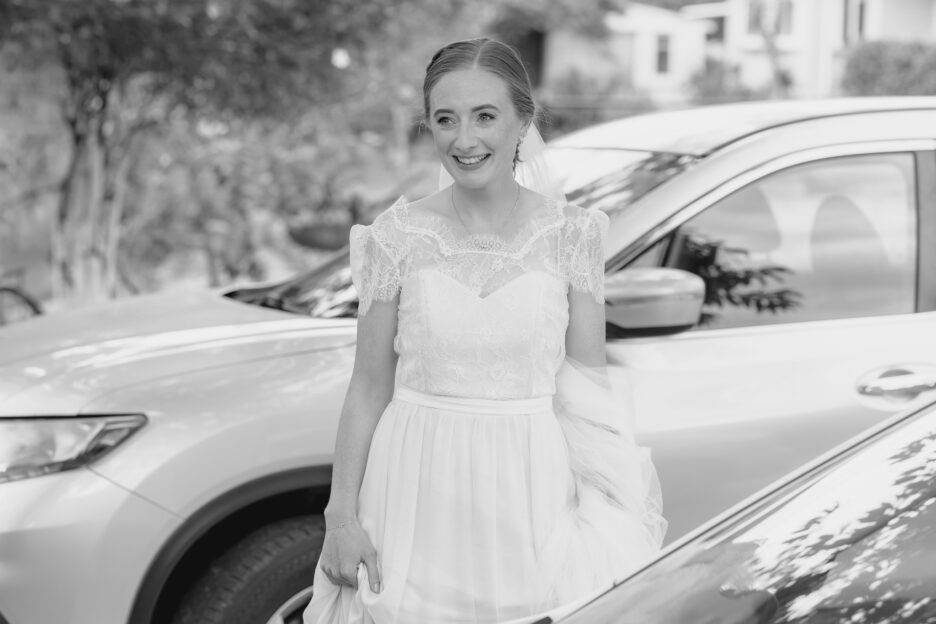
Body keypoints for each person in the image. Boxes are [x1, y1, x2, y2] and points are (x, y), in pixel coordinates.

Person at [303, 37, 666, 624]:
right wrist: (340, 520)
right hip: (411, 495)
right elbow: (368, 388)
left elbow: (587, 388)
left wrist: (609, 516)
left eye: (485, 116)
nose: (464, 140)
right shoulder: (394, 238)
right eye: (445, 119)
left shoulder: (573, 236)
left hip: (530, 500)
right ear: (428, 125)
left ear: (524, 119)